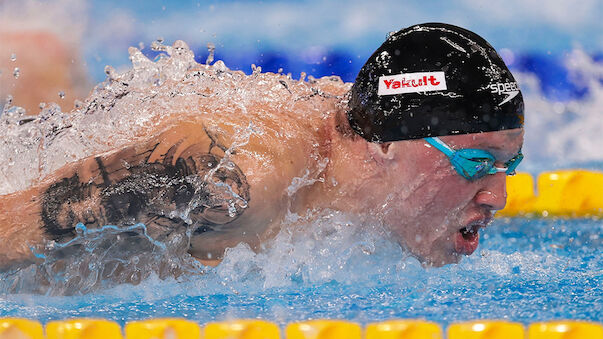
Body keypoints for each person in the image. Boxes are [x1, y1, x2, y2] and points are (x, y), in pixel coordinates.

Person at [0, 23, 524, 269]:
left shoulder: (360, 136)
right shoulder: (231, 183)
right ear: (385, 145)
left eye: (509, 165)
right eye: (477, 164)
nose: (497, 197)